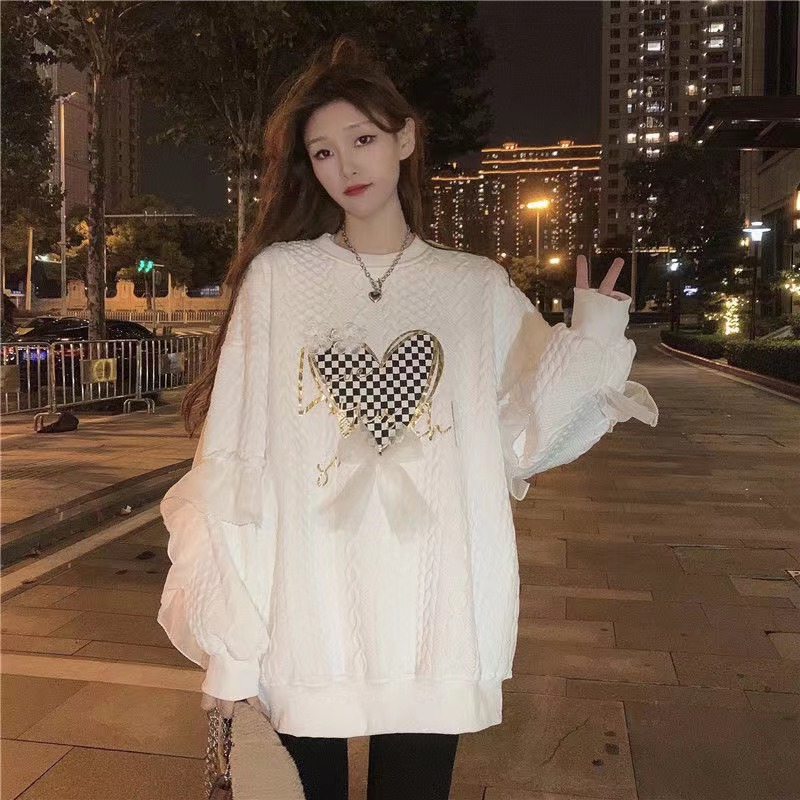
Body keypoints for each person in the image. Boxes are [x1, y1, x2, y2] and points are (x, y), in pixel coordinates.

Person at [157, 35, 659, 800]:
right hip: (306, 612)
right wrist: (232, 649)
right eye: (324, 152)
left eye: (362, 139)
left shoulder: (473, 287)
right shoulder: (280, 279)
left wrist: (592, 338)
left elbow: (526, 438)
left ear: (406, 139)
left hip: (434, 614)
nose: (346, 166)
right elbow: (234, 455)